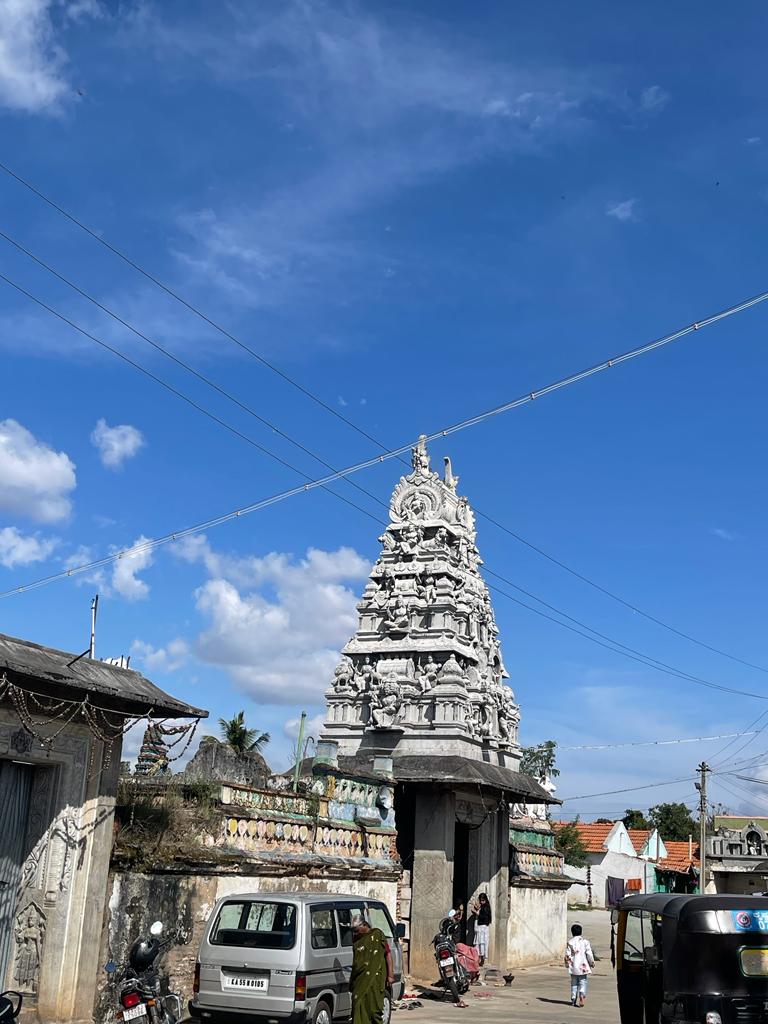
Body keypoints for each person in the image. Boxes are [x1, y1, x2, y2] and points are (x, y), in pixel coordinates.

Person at [350, 912, 394, 1024]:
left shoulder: (377, 935)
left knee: (374, 1010)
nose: (355, 932)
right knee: (358, 1006)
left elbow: (388, 954)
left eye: (357, 929)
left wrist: (390, 975)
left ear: (364, 925)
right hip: (360, 979)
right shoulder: (356, 940)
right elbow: (356, 961)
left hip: (376, 978)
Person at [564, 923, 594, 1007]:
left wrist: (567, 965)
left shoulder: (570, 942)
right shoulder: (585, 942)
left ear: (572, 932)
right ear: (581, 932)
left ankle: (573, 998)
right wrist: (591, 962)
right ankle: (582, 995)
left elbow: (567, 955)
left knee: (574, 983)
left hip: (573, 966)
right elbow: (589, 953)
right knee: (583, 981)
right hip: (583, 966)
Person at [470, 893, 492, 966]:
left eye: (483, 900)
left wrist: (476, 912)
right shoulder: (483, 906)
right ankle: (479, 959)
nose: (482, 902)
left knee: (482, 943)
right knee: (478, 943)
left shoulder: (486, 907)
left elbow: (484, 917)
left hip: (483, 928)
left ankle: (481, 959)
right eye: (481, 900)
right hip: (480, 928)